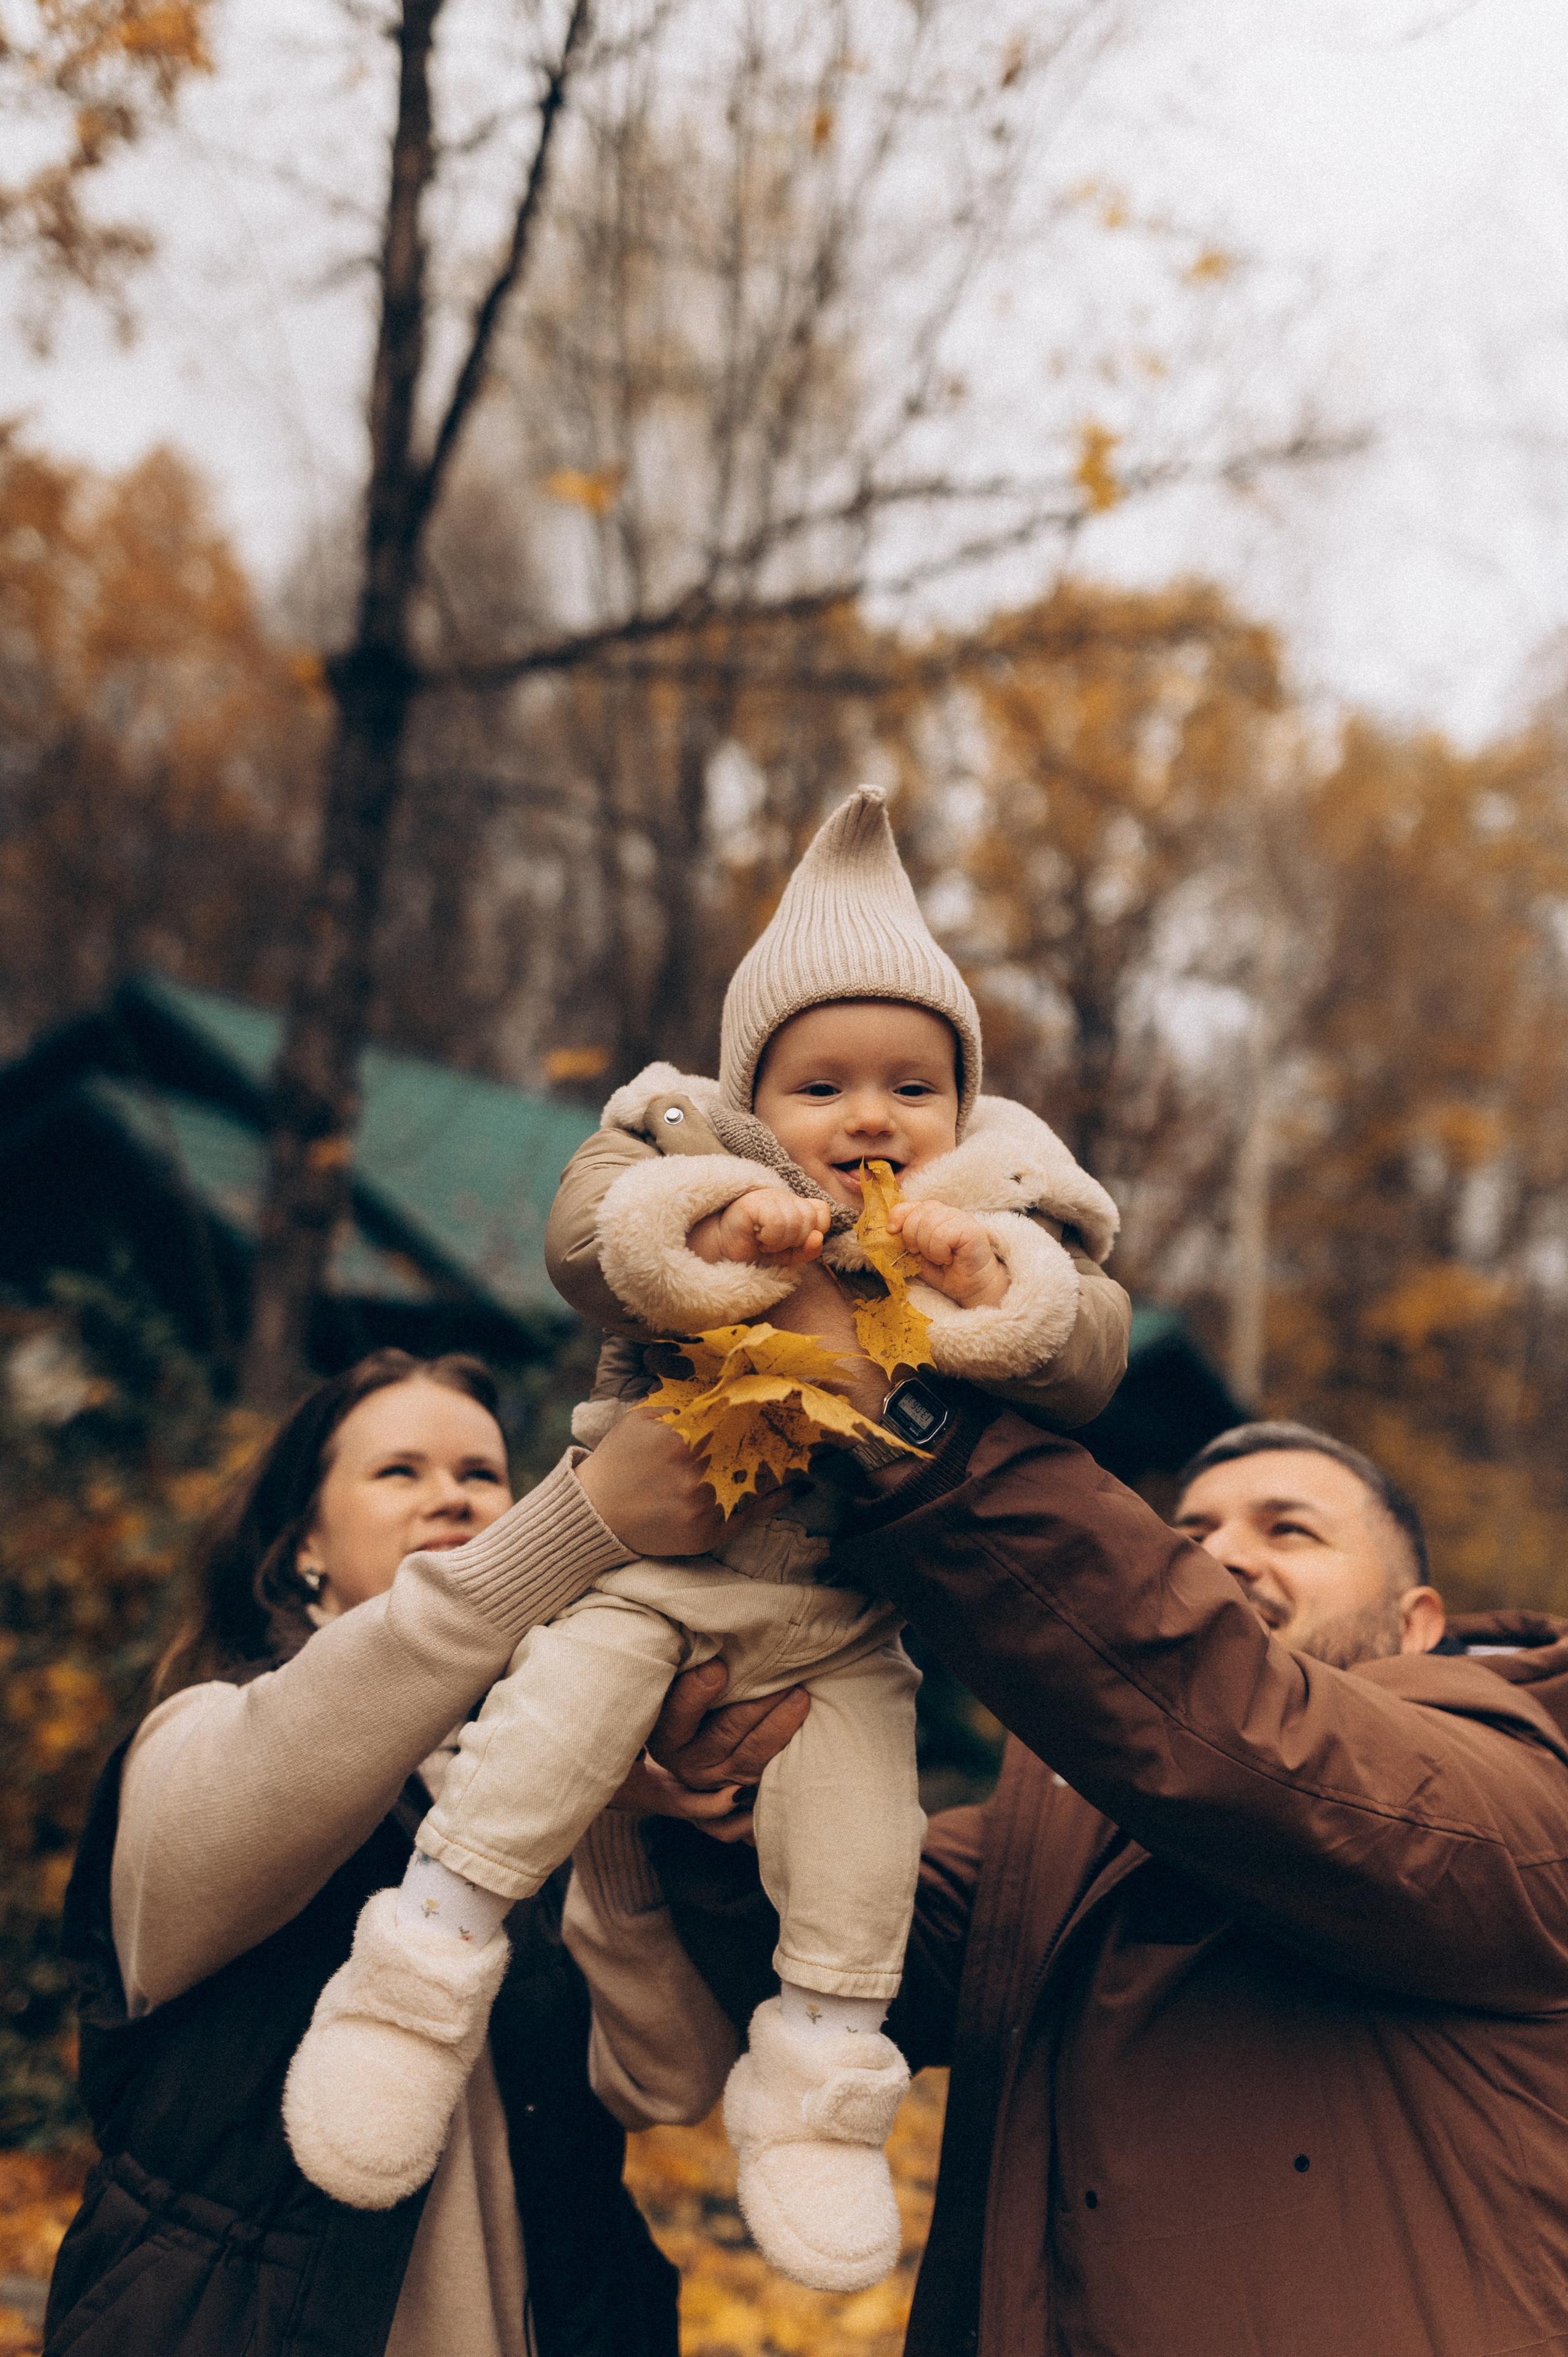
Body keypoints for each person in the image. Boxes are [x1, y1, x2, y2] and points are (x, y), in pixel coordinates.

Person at [285, 785, 1129, 2295]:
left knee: (863, 1843)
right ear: (755, 1094)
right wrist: (715, 1225)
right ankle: (416, 1971)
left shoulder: (996, 1192)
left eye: (908, 1085)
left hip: (844, 1622)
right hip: (655, 1578)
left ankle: (818, 2075)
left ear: (961, 1102)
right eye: (822, 1086)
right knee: (543, 1739)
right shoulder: (683, 1138)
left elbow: (1086, 1348)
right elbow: (586, 1230)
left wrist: (989, 1276)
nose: (869, 1118)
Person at [633, 1314, 1568, 2357]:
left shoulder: (1516, 1781)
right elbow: (841, 1952)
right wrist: (722, 1791)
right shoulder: (1055, 1827)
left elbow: (1245, 1732)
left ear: (1419, 1623)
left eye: (1288, 1530)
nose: (1221, 1559)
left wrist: (918, 1430)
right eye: (1191, 1534)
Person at [43, 1346, 778, 2357]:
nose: (452, 1497)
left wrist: (608, 1814)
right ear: (305, 1538)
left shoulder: (542, 1773)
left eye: (481, 1475)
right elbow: (276, 1785)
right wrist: (571, 1528)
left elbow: (666, 2083)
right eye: (402, 1472)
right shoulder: (202, 1729)